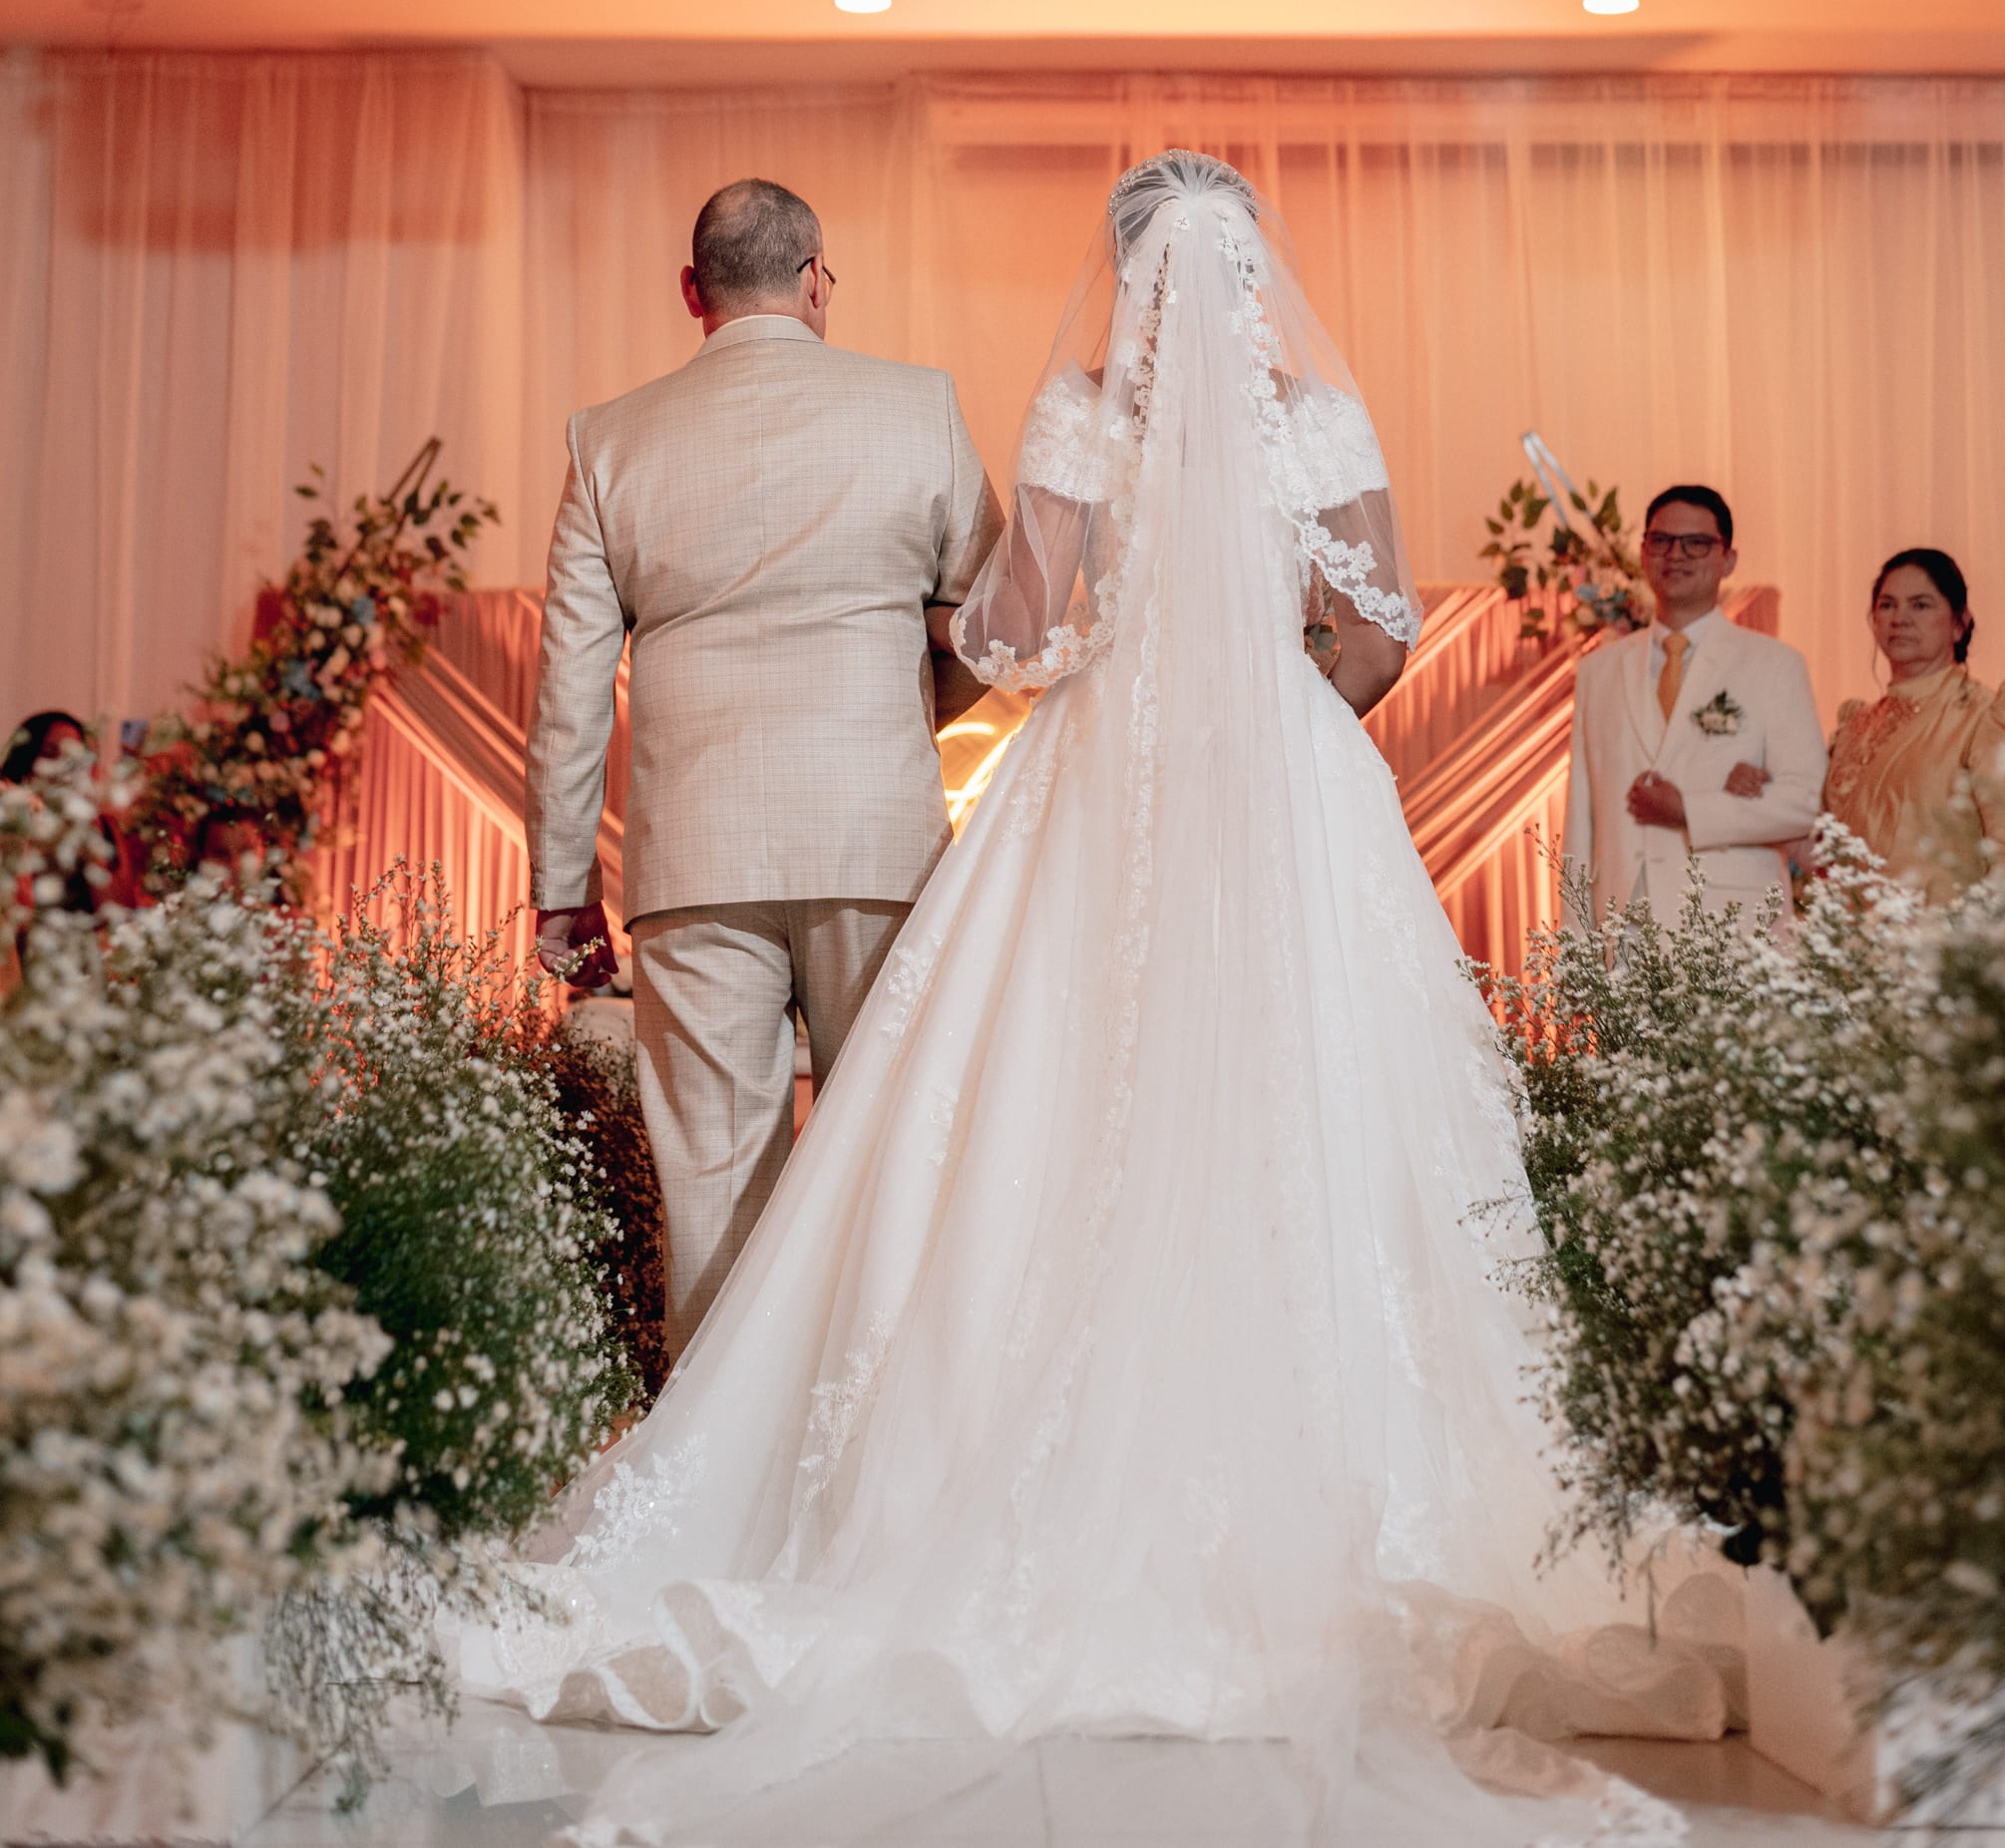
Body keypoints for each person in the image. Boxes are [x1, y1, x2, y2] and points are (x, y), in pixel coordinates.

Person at [468, 154, 1726, 1841]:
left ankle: (779, 1456)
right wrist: (1272, 699)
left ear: (1123, 279)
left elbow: (1007, 622)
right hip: (1263, 787)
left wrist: (1076, 658)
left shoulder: (1056, 409)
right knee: (1292, 1102)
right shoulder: (1297, 417)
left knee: (1013, 1124)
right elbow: (1373, 637)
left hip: (1026, 788)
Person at [524, 175, 1002, 1363]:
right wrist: (901, 718)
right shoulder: (918, 408)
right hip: (880, 843)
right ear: (814, 279)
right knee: (887, 1171)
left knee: (716, 1198)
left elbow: (572, 691)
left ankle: (716, 1484)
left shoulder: (609, 439)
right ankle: (873, 1462)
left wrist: (560, 881)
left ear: (692, 291)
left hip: (695, 861)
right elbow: (990, 630)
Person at [1562, 484, 1824, 925]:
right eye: (1661, 541)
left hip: (1733, 926)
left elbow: (1800, 803)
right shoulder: (1599, 671)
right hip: (1623, 927)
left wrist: (1690, 810)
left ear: (1728, 559)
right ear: (1644, 553)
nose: (1676, 555)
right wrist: (1575, 955)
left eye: (1696, 544)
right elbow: (1580, 823)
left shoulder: (1775, 665)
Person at [1822, 548, 2005, 899]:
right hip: (1848, 944)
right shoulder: (1854, 726)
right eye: (1887, 605)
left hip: (1943, 945)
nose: (1900, 618)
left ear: (1960, 623)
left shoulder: (1986, 717)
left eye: (1921, 605)